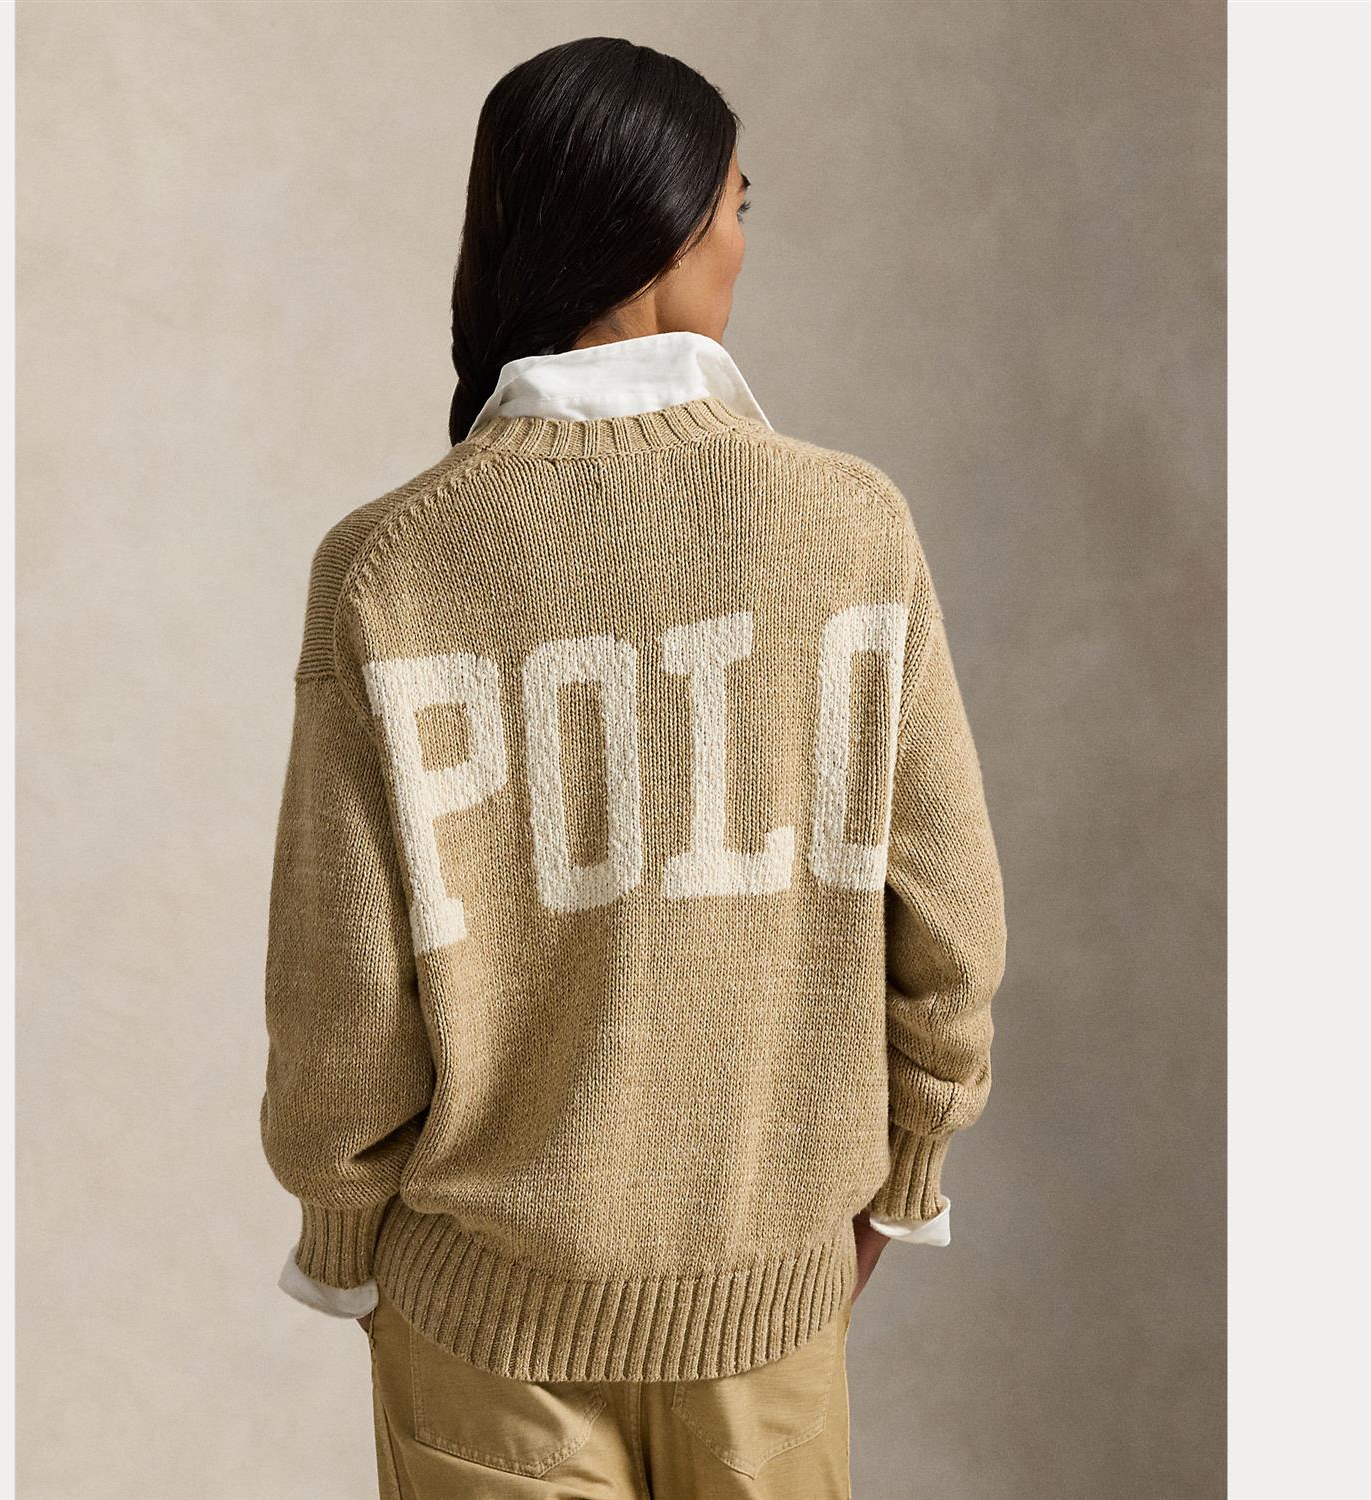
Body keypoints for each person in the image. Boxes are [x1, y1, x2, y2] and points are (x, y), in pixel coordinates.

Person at [260, 34, 1007, 1500]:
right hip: (770, 1310)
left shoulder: (389, 565)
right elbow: (949, 919)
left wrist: (343, 1236)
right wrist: (903, 1173)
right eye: (739, 205)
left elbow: (341, 983)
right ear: (661, 231)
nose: (744, 243)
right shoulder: (848, 526)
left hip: (479, 1328)